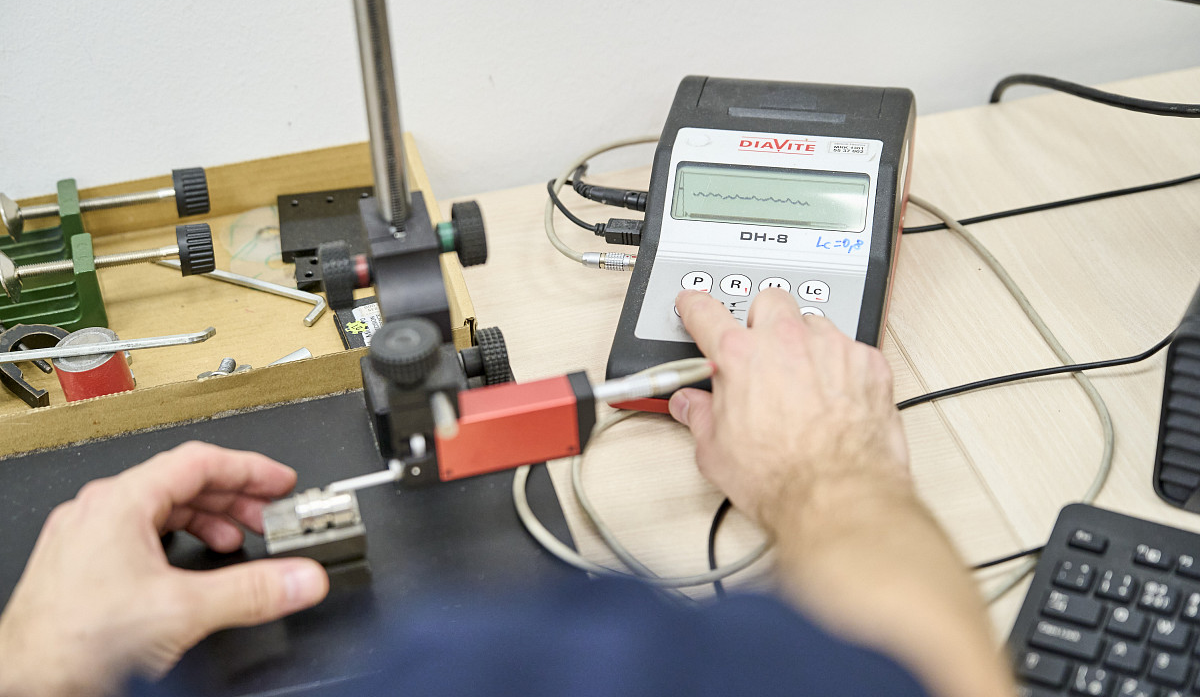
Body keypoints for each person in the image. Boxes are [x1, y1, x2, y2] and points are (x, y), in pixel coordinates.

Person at [0, 289, 1015, 697]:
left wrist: (37, 661)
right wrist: (833, 470)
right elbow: (931, 672)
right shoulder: (542, 662)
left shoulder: (53, 662)